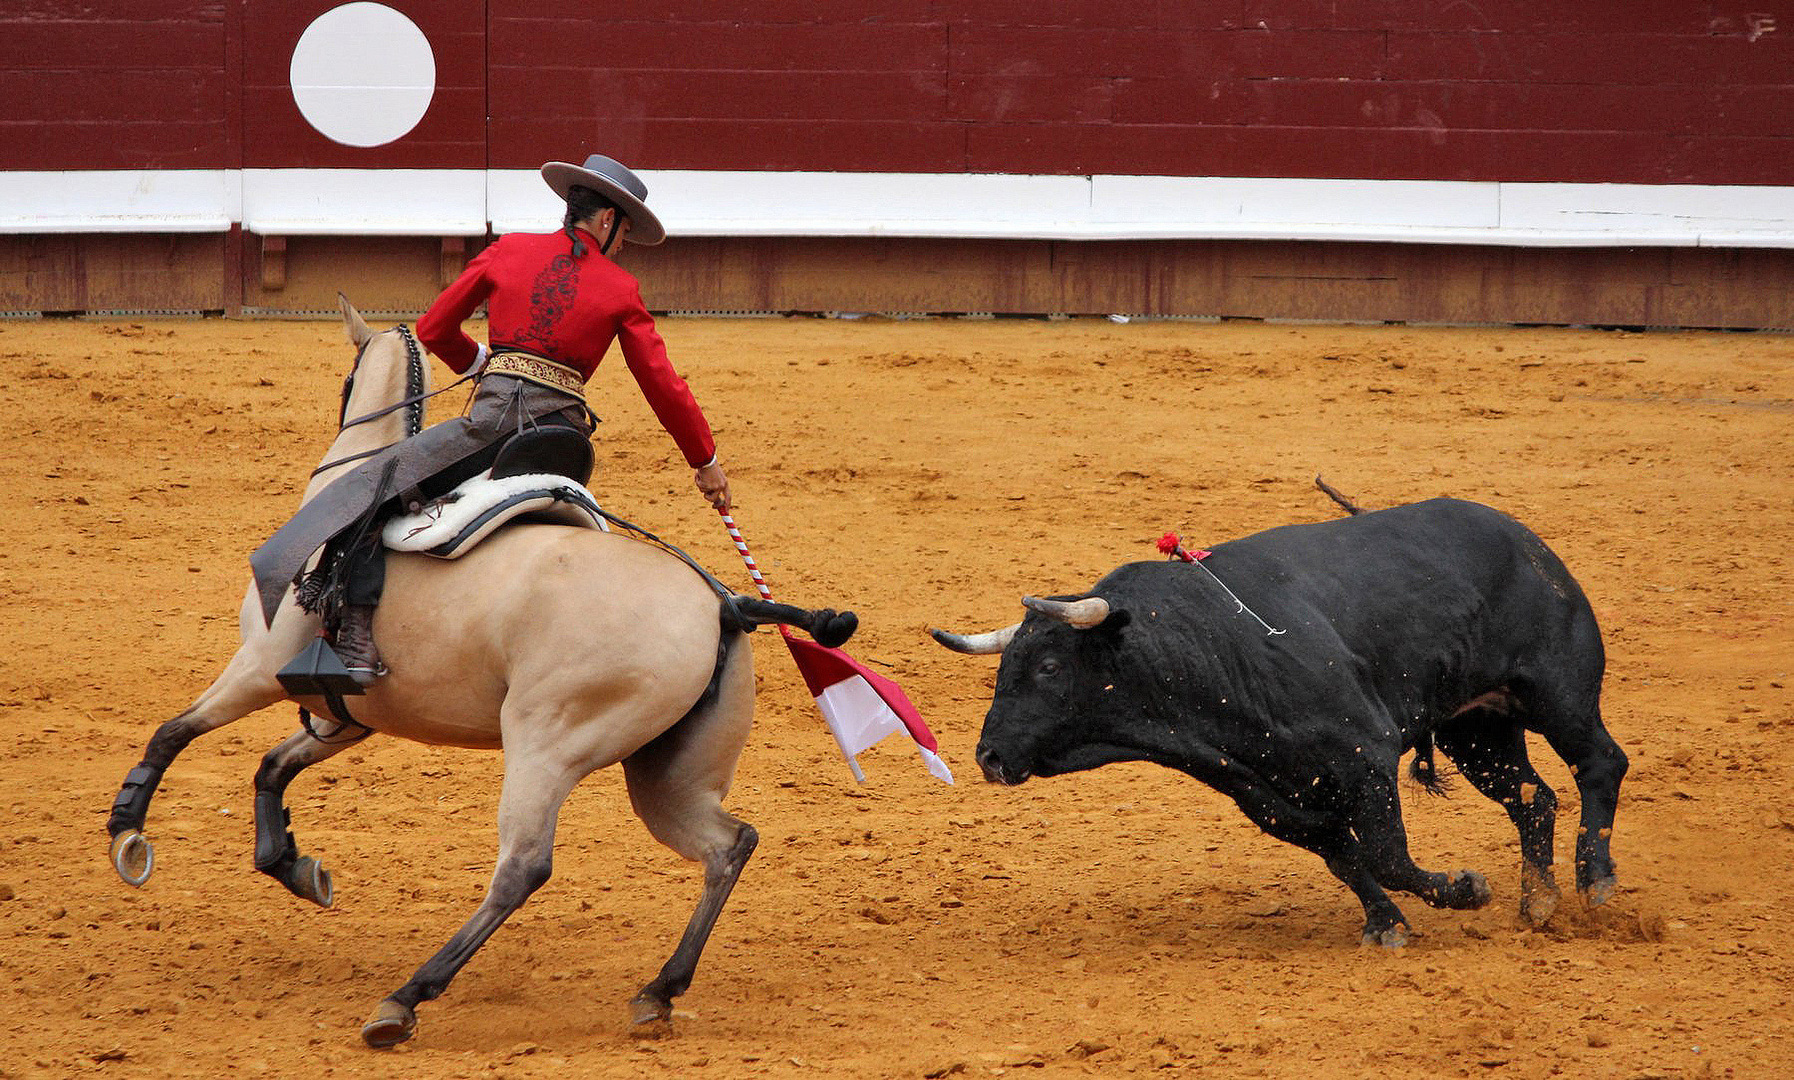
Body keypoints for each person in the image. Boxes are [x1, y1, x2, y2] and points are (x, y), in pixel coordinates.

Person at [249, 153, 730, 685]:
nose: (621, 248)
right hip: (565, 443)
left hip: (490, 427)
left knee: (377, 480)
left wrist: (482, 364)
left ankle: (356, 639)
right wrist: (704, 461)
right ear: (607, 220)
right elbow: (663, 384)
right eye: (623, 235)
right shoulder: (621, 289)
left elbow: (433, 328)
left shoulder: (510, 250)